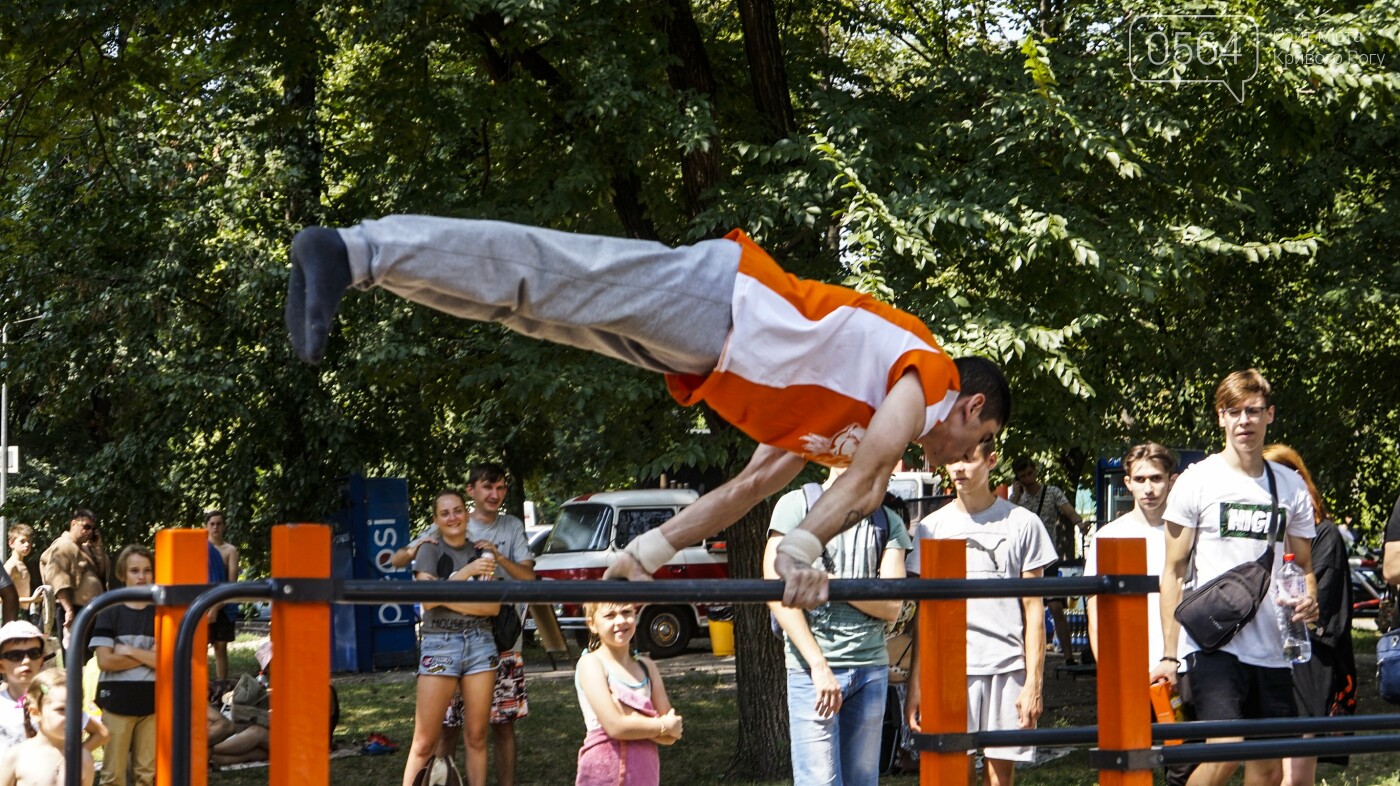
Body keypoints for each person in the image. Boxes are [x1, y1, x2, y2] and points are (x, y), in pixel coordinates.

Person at [285, 218, 1010, 609]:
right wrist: (801, 550)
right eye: (983, 439)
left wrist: (647, 553)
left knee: (531, 312)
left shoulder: (844, 425)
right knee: (548, 275)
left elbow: (749, 488)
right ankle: (352, 249)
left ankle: (359, 267)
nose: (966, 457)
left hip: (703, 355)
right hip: (727, 302)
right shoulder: (931, 376)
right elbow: (872, 479)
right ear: (973, 407)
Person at [1149, 370, 1319, 786]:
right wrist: (1170, 654)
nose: (1244, 420)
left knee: (1268, 764)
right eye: (1234, 411)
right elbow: (1172, 572)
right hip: (1213, 644)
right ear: (1221, 418)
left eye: (1253, 411)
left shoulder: (1290, 484)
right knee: (1226, 747)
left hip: (1274, 646)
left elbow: (1305, 565)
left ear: (1269, 415)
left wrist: (1309, 596)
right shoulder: (1197, 480)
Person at [905, 440, 1055, 786]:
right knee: (949, 777)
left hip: (1007, 667)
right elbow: (924, 614)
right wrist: (917, 683)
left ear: (990, 461)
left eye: (967, 459)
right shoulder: (931, 527)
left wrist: (1034, 681)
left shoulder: (1023, 522)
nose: (958, 467)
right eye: (952, 460)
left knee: (1000, 781)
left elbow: (1034, 611)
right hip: (948, 669)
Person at [764, 467, 910, 786]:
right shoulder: (795, 507)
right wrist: (818, 665)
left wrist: (829, 583)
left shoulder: (887, 520)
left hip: (870, 669)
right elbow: (775, 591)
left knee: (862, 781)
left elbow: (892, 606)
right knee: (819, 781)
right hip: (810, 670)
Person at [1083, 443, 1193, 786]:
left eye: (1157, 478)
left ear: (1172, 480)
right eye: (1140, 478)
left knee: (1182, 763)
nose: (1149, 488)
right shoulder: (1108, 536)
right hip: (1128, 669)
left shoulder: (1189, 534)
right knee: (1128, 764)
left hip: (1182, 664)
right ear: (1127, 482)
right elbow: (1094, 610)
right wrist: (1108, 668)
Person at [1263, 444, 1355, 786]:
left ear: (1298, 481)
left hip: (1307, 658)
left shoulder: (1324, 534)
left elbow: (1320, 609)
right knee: (1268, 769)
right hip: (1265, 656)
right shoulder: (1265, 536)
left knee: (1296, 776)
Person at [403, 490, 502, 786]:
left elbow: (492, 607)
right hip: (440, 642)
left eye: (458, 510)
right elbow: (428, 603)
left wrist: (445, 593)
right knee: (424, 741)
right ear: (436, 520)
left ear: (467, 513)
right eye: (445, 513)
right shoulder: (429, 549)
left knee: (477, 736)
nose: (453, 517)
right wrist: (468, 573)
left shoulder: (483, 550)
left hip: (480, 643)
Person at [574, 602, 680, 786]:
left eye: (626, 612)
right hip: (603, 774)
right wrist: (661, 725)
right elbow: (615, 726)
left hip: (644, 773)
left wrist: (635, 721)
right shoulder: (591, 664)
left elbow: (672, 733)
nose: (620, 620)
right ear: (592, 624)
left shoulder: (647, 667)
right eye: (609, 616)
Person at [91, 545, 158, 786]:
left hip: (152, 701)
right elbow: (105, 660)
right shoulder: (110, 611)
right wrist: (147, 656)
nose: (142, 577)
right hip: (117, 701)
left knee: (146, 774)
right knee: (113, 775)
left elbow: (165, 662)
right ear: (122, 574)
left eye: (147, 570)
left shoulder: (161, 613)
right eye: (135, 570)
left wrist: (128, 650)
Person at [1008, 456, 1085, 664]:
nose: (1027, 478)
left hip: (1047, 558)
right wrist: (1015, 496)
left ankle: (1068, 655)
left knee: (1056, 608)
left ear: (1035, 470)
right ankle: (1023, 657)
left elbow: (1068, 510)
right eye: (1022, 476)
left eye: (1029, 473)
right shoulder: (1017, 498)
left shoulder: (1051, 492)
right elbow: (1005, 519)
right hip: (1023, 560)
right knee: (1024, 610)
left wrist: (1079, 522)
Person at [0, 621, 107, 755]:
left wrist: (71, 758)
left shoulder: (54, 700)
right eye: (15, 655)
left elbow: (101, 733)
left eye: (34, 653)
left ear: (41, 659)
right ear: (1, 665)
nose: (26, 660)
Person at [0, 670, 93, 786]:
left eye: (76, 708)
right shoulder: (17, 756)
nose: (71, 716)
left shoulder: (83, 758)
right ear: (35, 712)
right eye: (61, 709)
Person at [38, 510, 107, 650]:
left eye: (93, 529)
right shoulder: (63, 545)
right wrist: (68, 610)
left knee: (85, 658)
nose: (89, 532)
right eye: (86, 527)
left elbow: (101, 573)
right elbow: (57, 578)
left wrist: (98, 548)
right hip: (72, 610)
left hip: (88, 610)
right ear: (73, 523)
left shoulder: (85, 549)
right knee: (74, 658)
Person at [204, 510, 240, 680]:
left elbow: (231, 585)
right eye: (212, 524)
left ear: (224, 526)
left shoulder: (230, 550)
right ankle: (199, 688)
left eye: (219, 523)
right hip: (202, 603)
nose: (215, 527)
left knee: (220, 647)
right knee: (199, 648)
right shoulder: (200, 548)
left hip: (224, 605)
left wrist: (217, 607)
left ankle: (222, 688)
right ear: (206, 526)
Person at [4, 525, 34, 618]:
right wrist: (32, 599)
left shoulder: (22, 564)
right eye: (22, 541)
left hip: (22, 614)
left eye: (29, 541)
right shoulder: (11, 566)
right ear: (11, 543)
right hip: (11, 615)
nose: (27, 544)